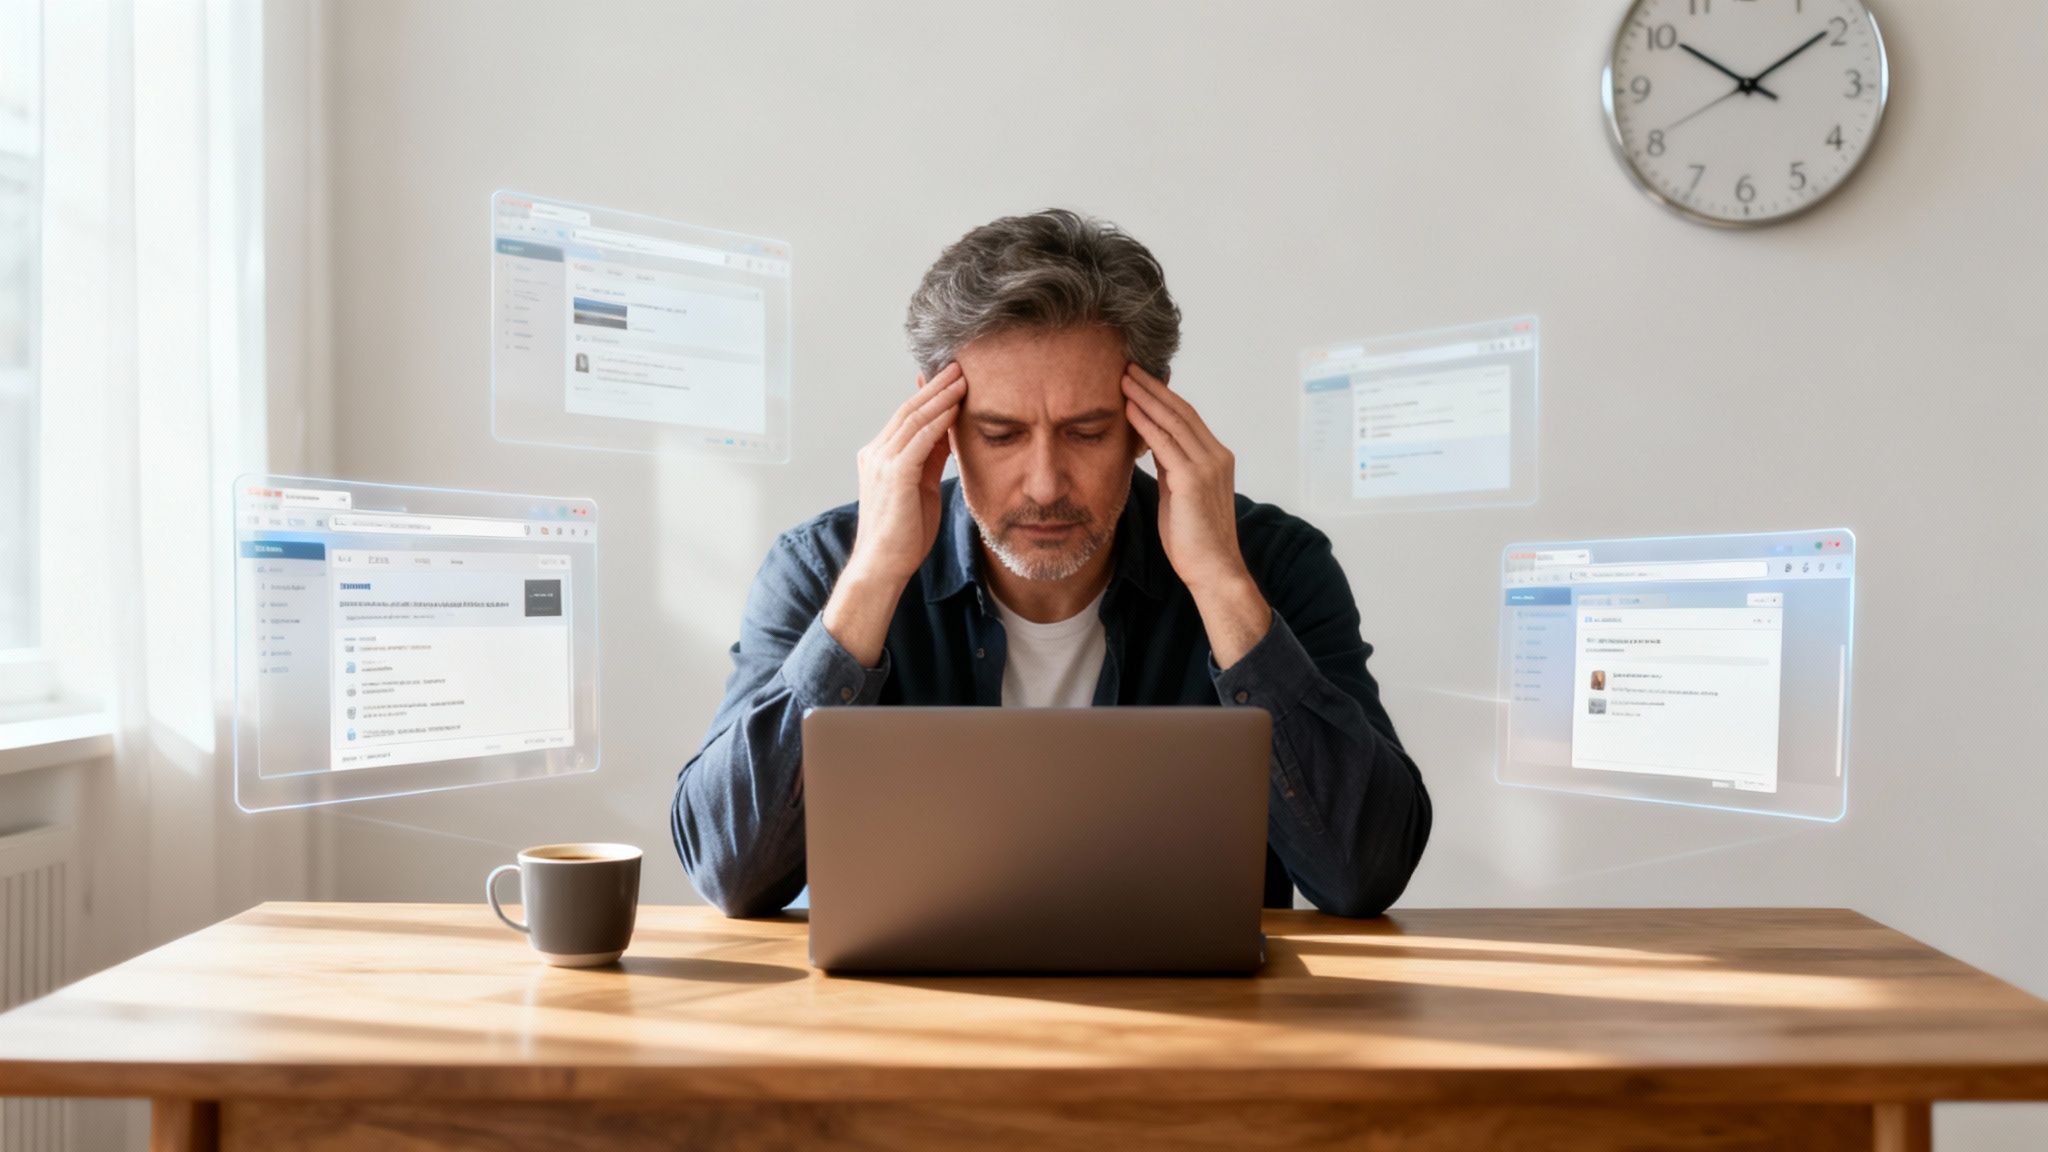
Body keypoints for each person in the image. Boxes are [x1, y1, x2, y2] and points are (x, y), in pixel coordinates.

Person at [671, 209, 1431, 919]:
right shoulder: (827, 566)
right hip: (906, 1025)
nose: (1044, 485)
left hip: (1200, 1034)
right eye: (1000, 435)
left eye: (1088, 431)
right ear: (936, 424)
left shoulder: (1270, 563)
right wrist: (871, 581)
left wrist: (1221, 584)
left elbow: (1362, 872)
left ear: (1147, 421)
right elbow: (732, 871)